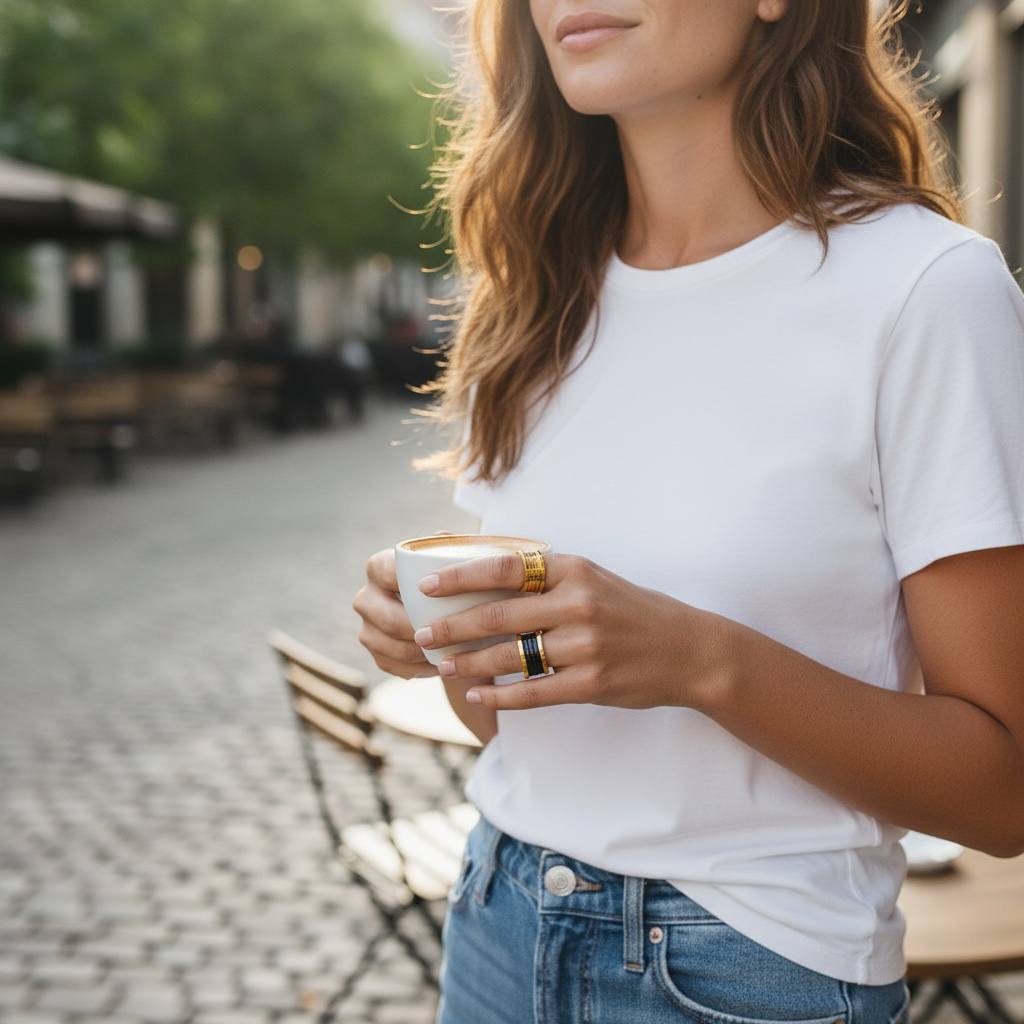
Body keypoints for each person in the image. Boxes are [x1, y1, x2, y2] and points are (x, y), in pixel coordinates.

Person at [352, 1, 1024, 1021]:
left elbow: (1000, 790)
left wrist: (696, 660)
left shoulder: (925, 291)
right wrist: (450, 640)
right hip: (497, 919)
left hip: (744, 969)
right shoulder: (537, 295)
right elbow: (501, 727)